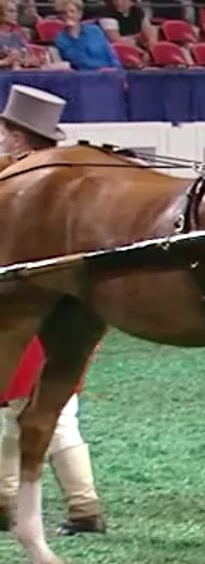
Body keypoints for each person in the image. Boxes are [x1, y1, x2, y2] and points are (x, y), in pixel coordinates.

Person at [0, 85, 105, 536]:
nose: (2, 139)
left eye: (6, 132)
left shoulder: (19, 187)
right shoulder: (65, 180)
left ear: (21, 138)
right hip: (68, 307)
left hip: (31, 308)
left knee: (30, 408)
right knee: (48, 408)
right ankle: (68, 504)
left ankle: (73, 507)